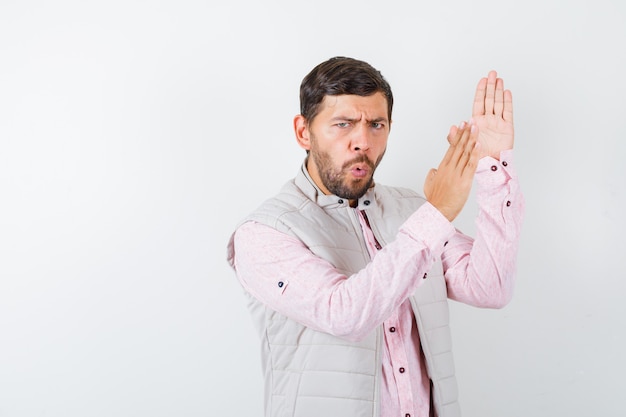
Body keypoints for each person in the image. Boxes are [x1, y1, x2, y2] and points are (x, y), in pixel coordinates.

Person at [226, 56, 524, 417]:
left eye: (376, 124)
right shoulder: (263, 233)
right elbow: (345, 315)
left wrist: (492, 169)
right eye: (343, 124)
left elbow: (490, 287)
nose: (362, 142)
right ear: (304, 132)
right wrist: (437, 213)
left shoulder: (414, 211)